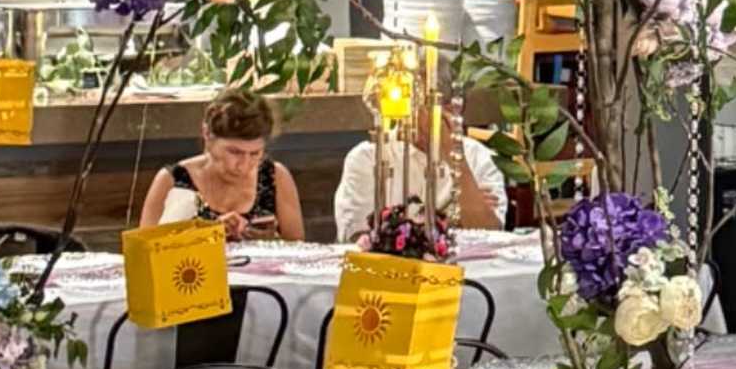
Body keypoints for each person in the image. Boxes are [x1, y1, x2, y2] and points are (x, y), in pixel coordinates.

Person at [140, 91, 308, 249]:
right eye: (234, 152)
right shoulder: (173, 180)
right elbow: (144, 251)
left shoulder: (275, 177)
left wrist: (271, 242)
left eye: (255, 153)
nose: (244, 165)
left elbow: (299, 249)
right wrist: (208, 234)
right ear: (207, 134)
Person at [327, 109, 506, 241]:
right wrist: (453, 218)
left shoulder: (478, 157)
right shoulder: (367, 158)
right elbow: (359, 238)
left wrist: (454, 155)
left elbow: (489, 235)